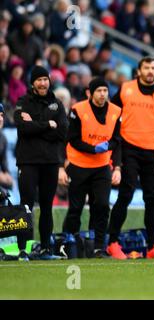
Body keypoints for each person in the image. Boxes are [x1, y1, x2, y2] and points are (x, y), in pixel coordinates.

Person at [107, 57, 154, 259]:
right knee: (125, 195)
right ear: (138, 71)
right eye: (146, 68)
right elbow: (110, 115)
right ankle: (112, 243)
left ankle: (153, 246)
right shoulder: (125, 89)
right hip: (129, 149)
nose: (150, 71)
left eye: (153, 68)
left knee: (152, 200)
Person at [62, 78, 122, 258]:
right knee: (76, 208)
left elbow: (117, 140)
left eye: (105, 90)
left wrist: (115, 164)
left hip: (102, 166)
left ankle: (98, 247)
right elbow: (72, 138)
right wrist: (93, 149)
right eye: (99, 91)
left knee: (102, 206)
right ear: (91, 92)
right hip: (79, 165)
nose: (103, 94)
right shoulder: (78, 110)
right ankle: (68, 244)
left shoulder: (116, 111)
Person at [14, 65, 69, 261]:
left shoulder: (57, 104)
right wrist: (47, 125)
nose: (43, 83)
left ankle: (45, 249)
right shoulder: (22, 102)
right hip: (28, 161)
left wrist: (34, 125)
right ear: (32, 82)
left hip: (50, 162)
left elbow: (62, 132)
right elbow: (22, 128)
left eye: (45, 79)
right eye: (39, 80)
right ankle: (24, 249)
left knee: (47, 206)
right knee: (26, 207)